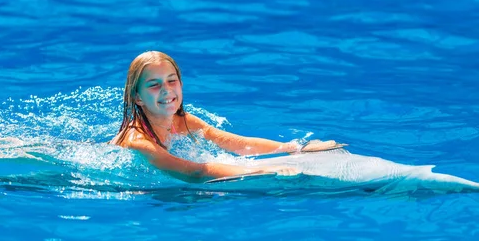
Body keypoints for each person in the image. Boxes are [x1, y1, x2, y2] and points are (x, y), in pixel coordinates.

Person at [110, 50, 346, 183]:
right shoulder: (138, 141)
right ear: (138, 98)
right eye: (154, 85)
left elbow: (236, 143)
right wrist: (262, 172)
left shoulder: (183, 121)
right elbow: (195, 172)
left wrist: (295, 148)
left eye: (172, 80)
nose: (167, 90)